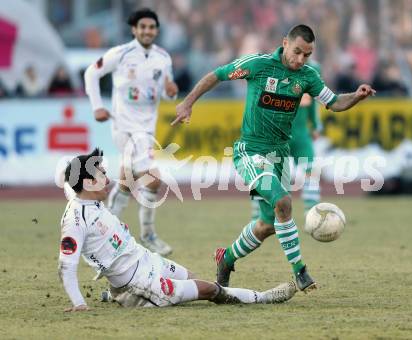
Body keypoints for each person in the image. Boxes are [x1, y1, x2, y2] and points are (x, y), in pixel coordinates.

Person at [172, 25, 375, 291]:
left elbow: (334, 102)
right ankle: (300, 271)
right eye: (297, 52)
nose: (301, 59)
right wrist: (188, 103)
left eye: (307, 54)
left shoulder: (308, 76)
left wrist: (357, 97)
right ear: (285, 44)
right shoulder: (258, 64)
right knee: (284, 201)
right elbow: (217, 75)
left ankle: (226, 259)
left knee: (267, 225)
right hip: (250, 150)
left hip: (280, 154)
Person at [58, 148, 297, 311]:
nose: (107, 180)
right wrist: (79, 303)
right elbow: (66, 265)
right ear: (88, 183)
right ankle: (264, 297)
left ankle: (115, 294)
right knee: (209, 289)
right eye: (102, 175)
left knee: (193, 277)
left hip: (146, 260)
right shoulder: (76, 219)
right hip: (137, 282)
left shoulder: (90, 200)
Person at [84, 8, 178, 256]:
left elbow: (168, 89)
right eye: (143, 27)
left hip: (146, 129)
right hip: (123, 126)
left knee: (126, 181)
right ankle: (147, 234)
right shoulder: (120, 54)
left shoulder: (163, 58)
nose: (147, 31)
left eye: (151, 27)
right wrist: (97, 107)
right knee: (152, 178)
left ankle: (104, 233)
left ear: (156, 30)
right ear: (134, 30)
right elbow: (91, 73)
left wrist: (172, 92)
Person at [250, 60, 322, 220]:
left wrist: (316, 125)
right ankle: (257, 216)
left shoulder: (314, 69)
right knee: (267, 175)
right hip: (276, 135)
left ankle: (312, 215)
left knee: (311, 170)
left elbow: (314, 100)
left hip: (300, 133)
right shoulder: (271, 68)